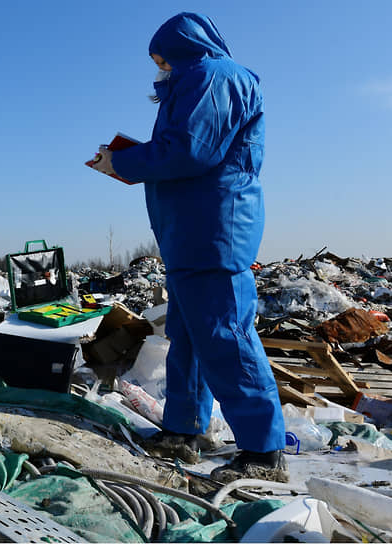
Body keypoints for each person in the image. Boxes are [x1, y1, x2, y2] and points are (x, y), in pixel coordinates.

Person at [90, 12, 288, 483]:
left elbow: (191, 150)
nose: (159, 69)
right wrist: (133, 159)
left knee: (225, 335)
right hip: (192, 232)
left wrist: (123, 160)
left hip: (213, 230)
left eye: (162, 59)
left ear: (182, 48)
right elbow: (187, 147)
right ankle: (184, 428)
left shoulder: (214, 76)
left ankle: (264, 449)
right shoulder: (198, 79)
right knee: (189, 338)